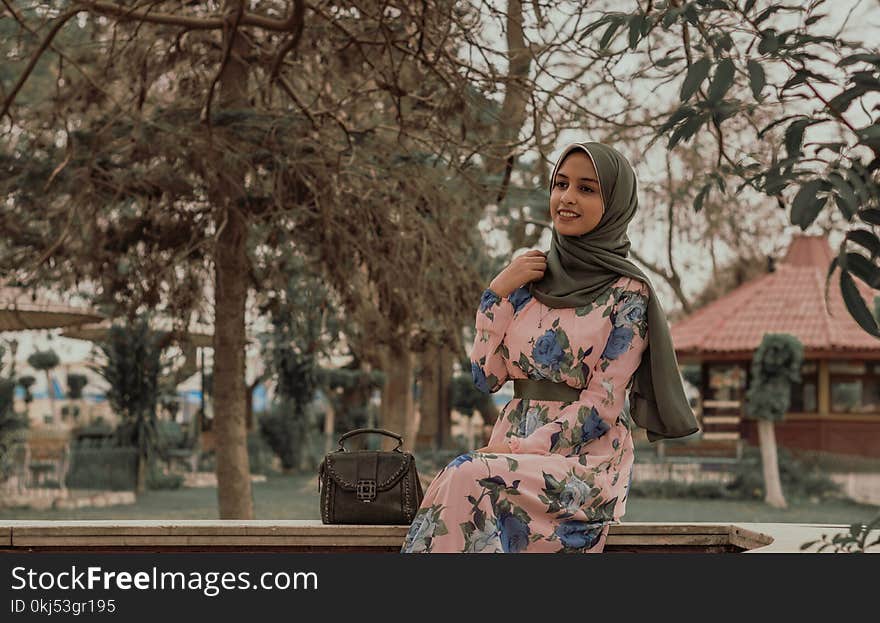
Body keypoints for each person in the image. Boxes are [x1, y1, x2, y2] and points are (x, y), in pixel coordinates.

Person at [400, 142, 700, 553]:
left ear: (614, 204)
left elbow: (602, 405)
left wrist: (520, 448)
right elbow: (485, 377)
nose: (568, 197)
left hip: (584, 462)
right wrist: (496, 295)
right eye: (561, 184)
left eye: (587, 189)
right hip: (511, 448)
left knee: (467, 475)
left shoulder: (628, 294)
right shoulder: (528, 277)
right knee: (464, 478)